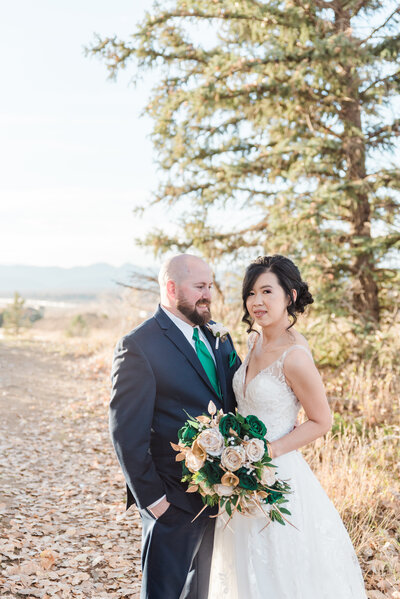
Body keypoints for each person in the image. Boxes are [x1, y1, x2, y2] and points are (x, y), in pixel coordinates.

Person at [208, 255, 367, 599]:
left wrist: (271, 450)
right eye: (251, 293)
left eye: (267, 291)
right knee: (243, 565)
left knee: (279, 567)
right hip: (239, 474)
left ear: (290, 296)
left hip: (275, 474)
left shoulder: (294, 356)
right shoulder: (254, 341)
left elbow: (322, 421)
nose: (257, 302)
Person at [109, 253, 240, 599]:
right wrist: (154, 503)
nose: (208, 294)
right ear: (171, 288)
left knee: (201, 591)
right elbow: (126, 433)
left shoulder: (217, 337)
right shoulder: (139, 345)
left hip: (218, 493)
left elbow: (235, 397)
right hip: (172, 501)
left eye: (209, 286)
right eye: (199, 286)